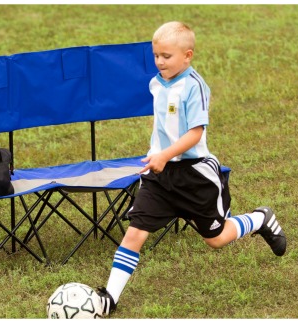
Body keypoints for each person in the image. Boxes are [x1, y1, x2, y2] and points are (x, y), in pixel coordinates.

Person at [95, 21, 287, 316]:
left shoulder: (194, 86)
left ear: (188, 55)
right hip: (159, 176)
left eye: (167, 56)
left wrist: (165, 155)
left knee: (217, 238)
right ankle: (110, 298)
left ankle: (260, 219)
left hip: (195, 175)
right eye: (156, 55)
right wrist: (157, 156)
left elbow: (195, 133)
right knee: (134, 233)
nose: (160, 61)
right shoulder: (156, 83)